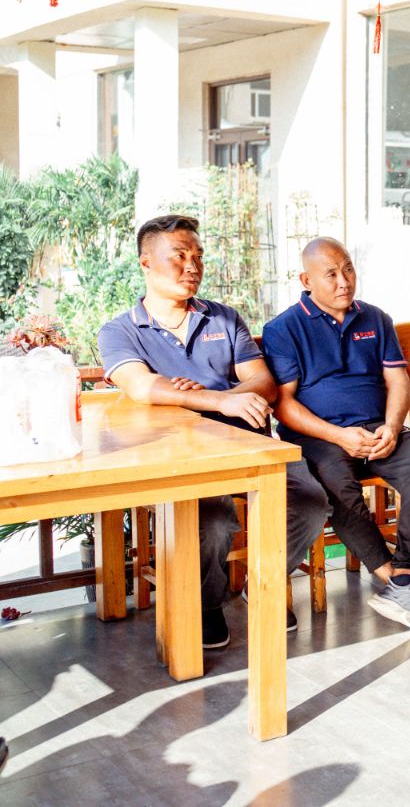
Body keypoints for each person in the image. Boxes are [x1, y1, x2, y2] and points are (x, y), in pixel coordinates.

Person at [97, 215, 329, 649]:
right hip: (179, 455)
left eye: (198, 256)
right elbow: (142, 386)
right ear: (146, 262)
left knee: (310, 500)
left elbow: (262, 380)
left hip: (247, 443)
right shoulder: (120, 331)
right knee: (214, 521)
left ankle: (262, 582)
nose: (192, 266)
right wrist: (219, 400)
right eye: (179, 256)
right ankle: (205, 603)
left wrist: (211, 397)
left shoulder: (223, 318)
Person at [261, 237, 410, 635]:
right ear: (306, 280)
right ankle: (394, 581)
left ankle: (406, 575)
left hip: (380, 430)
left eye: (348, 269)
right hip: (320, 437)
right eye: (331, 274)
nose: (344, 281)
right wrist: (338, 436)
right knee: (336, 485)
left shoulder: (375, 319)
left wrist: (392, 426)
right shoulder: (283, 328)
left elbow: (397, 380)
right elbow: (284, 405)